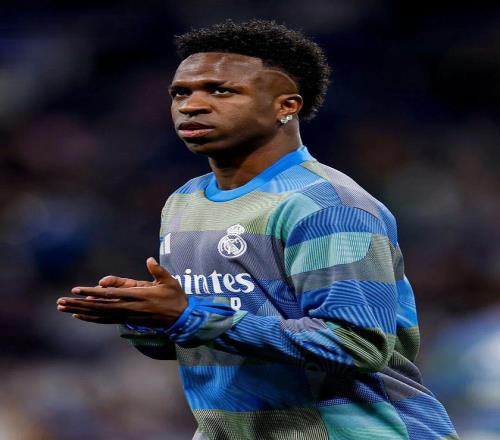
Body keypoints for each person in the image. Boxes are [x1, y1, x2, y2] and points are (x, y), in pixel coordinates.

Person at [57, 19, 459, 440]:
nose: (191, 105)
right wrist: (150, 318)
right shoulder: (185, 201)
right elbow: (206, 340)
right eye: (180, 93)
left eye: (220, 91)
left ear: (286, 106)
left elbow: (356, 344)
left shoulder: (324, 204)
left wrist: (189, 314)